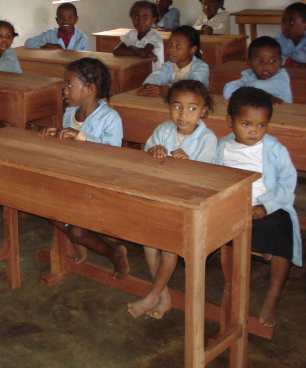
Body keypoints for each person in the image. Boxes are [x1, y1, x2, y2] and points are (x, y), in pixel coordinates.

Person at [214, 87, 302, 327]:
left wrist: (267, 205)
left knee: (281, 234)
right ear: (229, 121)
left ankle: (272, 297)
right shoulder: (222, 146)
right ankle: (232, 286)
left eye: (261, 125)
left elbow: (287, 181)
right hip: (235, 206)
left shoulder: (273, 149)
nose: (254, 131)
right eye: (246, 124)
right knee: (225, 231)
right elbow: (214, 176)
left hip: (269, 205)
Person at [129, 80, 216, 319]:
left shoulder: (207, 138)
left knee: (168, 249)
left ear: (203, 111)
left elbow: (207, 175)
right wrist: (153, 151)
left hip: (186, 205)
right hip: (161, 196)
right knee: (149, 245)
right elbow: (148, 154)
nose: (183, 114)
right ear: (169, 107)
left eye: (191, 108)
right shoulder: (163, 130)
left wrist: (189, 163)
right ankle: (164, 297)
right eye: (177, 107)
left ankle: (152, 296)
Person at [38, 58, 129, 279]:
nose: (64, 89)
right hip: (74, 178)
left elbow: (112, 154)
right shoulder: (70, 113)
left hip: (99, 183)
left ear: (90, 88)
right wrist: (55, 135)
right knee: (39, 202)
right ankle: (76, 239)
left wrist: (80, 136)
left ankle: (114, 253)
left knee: (77, 230)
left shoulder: (110, 118)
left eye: (69, 84)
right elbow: (68, 148)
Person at [138, 26, 210, 97]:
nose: (171, 49)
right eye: (169, 44)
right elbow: (158, 75)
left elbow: (190, 84)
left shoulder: (201, 67)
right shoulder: (168, 66)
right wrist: (148, 85)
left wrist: (168, 89)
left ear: (192, 50)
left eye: (177, 46)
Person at [223, 36, 292, 104]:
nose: (266, 65)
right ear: (249, 63)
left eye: (272, 60)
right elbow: (228, 91)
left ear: (280, 62)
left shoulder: (282, 77)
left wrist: (243, 91)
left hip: (283, 114)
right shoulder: (250, 74)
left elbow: (257, 86)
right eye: (259, 60)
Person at [113, 0, 164, 71]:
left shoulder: (154, 35)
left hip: (155, 76)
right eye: (136, 17)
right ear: (132, 18)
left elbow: (144, 53)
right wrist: (137, 52)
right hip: (139, 71)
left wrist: (130, 47)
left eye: (145, 18)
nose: (140, 21)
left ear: (153, 20)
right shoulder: (131, 34)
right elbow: (116, 51)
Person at [24, 2, 89, 50]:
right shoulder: (50, 34)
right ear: (56, 20)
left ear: (76, 19)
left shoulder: (82, 39)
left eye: (70, 17)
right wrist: (50, 46)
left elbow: (87, 59)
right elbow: (28, 42)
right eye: (61, 17)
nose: (65, 21)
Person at [276, 1, 306, 68]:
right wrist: (288, 61)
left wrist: (287, 59)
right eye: (283, 22)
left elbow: (303, 57)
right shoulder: (278, 40)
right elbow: (270, 57)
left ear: (305, 25)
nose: (285, 26)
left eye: (291, 22)